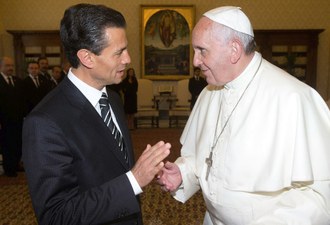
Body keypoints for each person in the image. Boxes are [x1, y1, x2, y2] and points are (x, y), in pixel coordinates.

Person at [157, 6, 330, 225]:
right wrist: (184, 173)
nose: (195, 61)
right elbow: (206, 158)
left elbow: (320, 197)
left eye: (202, 50)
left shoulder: (294, 98)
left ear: (234, 50)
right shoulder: (210, 92)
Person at [22, 4, 171, 225]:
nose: (128, 59)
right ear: (87, 58)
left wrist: (142, 174)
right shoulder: (44, 123)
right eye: (119, 52)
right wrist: (134, 180)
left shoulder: (112, 98)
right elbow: (56, 216)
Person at [0, 56, 24, 177]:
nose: (10, 68)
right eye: (7, 66)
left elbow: (21, 101)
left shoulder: (17, 81)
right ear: (1, 66)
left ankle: (15, 165)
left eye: (11, 66)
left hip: (17, 120)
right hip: (4, 121)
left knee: (17, 143)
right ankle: (8, 168)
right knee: (7, 144)